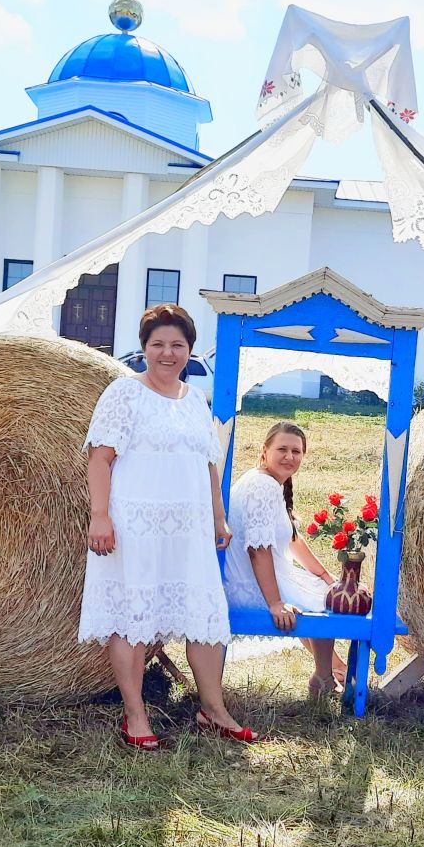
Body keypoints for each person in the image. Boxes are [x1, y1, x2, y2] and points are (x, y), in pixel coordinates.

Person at [80, 304, 257, 750]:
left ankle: (213, 710)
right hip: (136, 524)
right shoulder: (124, 394)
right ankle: (135, 715)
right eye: (158, 344)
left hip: (189, 529)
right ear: (144, 349)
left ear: (189, 351)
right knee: (134, 618)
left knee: (204, 616)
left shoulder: (196, 400)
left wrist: (218, 517)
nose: (168, 353)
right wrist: (100, 516)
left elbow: (209, 465)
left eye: (177, 345)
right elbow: (100, 458)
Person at [222, 422, 345, 698]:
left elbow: (292, 539)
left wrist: (326, 576)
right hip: (249, 583)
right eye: (282, 449)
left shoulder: (269, 483)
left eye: (296, 451)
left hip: (261, 575)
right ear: (264, 451)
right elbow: (258, 550)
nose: (290, 456)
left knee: (324, 590)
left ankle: (329, 673)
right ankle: (327, 676)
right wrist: (276, 602)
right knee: (323, 604)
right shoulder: (262, 487)